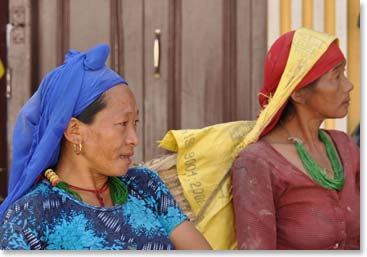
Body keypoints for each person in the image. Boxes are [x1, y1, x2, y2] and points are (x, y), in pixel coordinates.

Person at [0, 44, 211, 250]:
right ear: (74, 130)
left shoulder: (145, 186)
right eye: (122, 124)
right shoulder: (30, 216)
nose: (134, 139)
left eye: (135, 123)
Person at [230, 28, 359, 249]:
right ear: (298, 93)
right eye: (336, 76)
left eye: (344, 73)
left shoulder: (345, 147)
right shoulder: (256, 163)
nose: (349, 86)